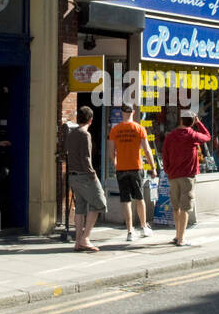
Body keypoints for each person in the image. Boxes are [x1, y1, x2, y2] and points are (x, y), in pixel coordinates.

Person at [161, 108, 211, 246]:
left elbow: (164, 155)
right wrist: (199, 123)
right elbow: (207, 136)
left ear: (181, 120)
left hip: (173, 176)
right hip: (188, 177)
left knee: (176, 207)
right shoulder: (192, 135)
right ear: (192, 122)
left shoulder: (170, 136)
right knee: (185, 208)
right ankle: (181, 239)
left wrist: (167, 170)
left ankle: (177, 235)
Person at [109, 105, 156, 242]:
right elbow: (147, 150)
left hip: (121, 168)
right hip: (136, 167)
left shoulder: (115, 130)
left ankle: (130, 231)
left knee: (126, 200)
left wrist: (115, 162)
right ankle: (143, 227)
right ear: (133, 112)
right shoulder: (139, 128)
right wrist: (153, 167)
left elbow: (111, 152)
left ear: (122, 113)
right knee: (139, 198)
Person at [64, 105, 107, 252]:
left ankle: (78, 242)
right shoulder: (85, 134)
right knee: (99, 202)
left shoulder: (71, 134)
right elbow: (86, 158)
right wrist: (92, 174)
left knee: (81, 208)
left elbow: (67, 154)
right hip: (84, 176)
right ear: (91, 120)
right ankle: (85, 238)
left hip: (73, 176)